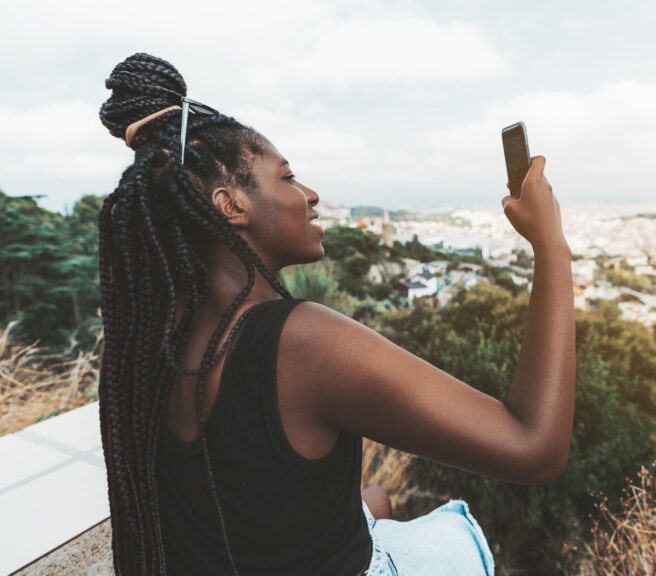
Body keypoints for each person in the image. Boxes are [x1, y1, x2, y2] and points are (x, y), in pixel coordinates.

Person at [96, 52, 575, 576]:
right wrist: (551, 245)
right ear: (231, 205)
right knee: (453, 536)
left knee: (376, 500)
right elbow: (534, 448)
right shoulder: (300, 342)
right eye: (289, 177)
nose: (310, 194)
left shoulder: (161, 342)